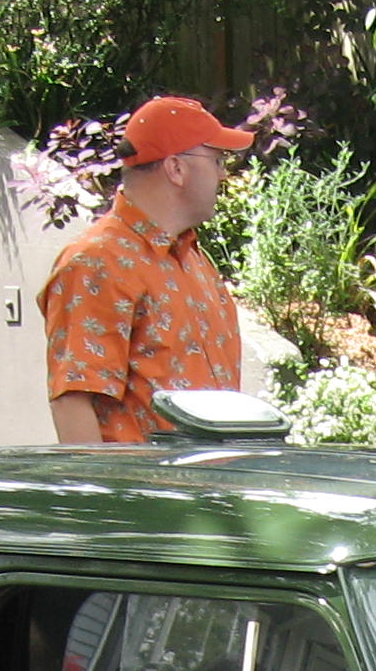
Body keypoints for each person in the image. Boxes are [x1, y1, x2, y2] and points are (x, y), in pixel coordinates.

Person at [37, 96, 251, 445]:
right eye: (216, 160)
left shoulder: (193, 259)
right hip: (150, 494)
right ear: (176, 168)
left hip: (209, 490)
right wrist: (106, 500)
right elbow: (73, 403)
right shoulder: (97, 263)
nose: (223, 174)